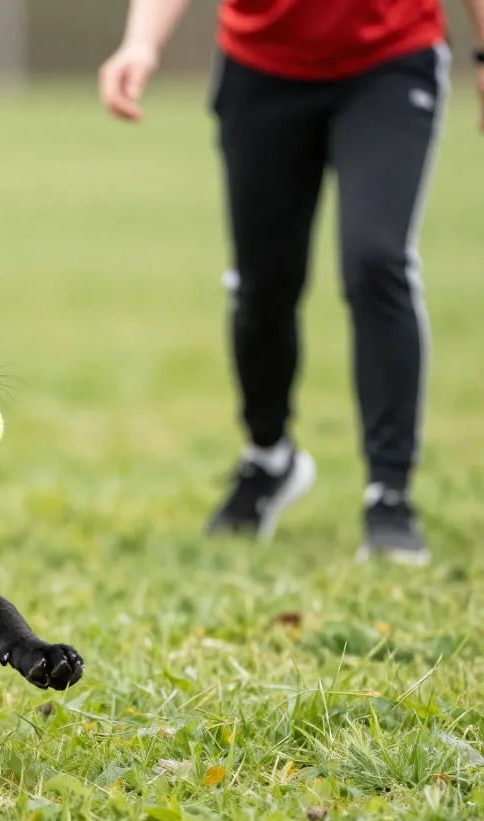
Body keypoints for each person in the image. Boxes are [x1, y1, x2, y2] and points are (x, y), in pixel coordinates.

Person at [100, 0, 484, 564]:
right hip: (260, 67)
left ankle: (390, 497)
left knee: (377, 262)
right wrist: (141, 43)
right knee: (262, 284)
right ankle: (269, 459)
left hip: (391, 59)